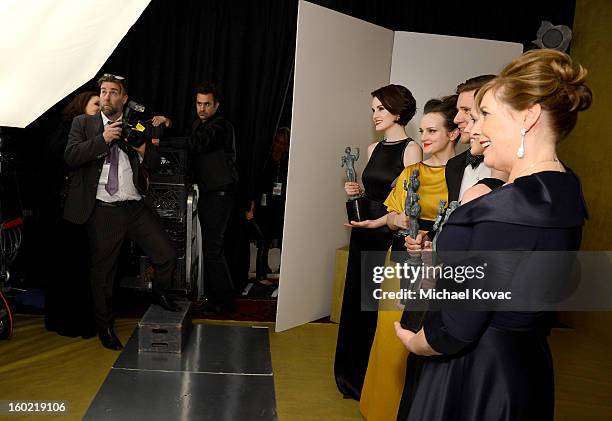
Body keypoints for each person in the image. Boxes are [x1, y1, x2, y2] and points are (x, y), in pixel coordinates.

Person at [394, 49, 592, 421]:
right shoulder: (565, 189)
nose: (476, 128)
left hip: (473, 376)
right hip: (524, 367)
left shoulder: (507, 208)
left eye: (486, 115)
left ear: (528, 117)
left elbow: (461, 323)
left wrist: (419, 343)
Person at [358, 95, 459, 421]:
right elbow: (390, 216)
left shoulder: (463, 178)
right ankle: (377, 408)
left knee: (420, 339)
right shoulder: (411, 171)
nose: (425, 137)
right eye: (423, 130)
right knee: (388, 334)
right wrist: (397, 220)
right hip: (399, 257)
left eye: (433, 131)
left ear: (453, 133)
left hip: (434, 268)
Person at [64, 74, 179, 351]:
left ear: (124, 98)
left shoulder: (136, 122)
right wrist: (102, 140)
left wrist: (140, 146)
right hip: (104, 209)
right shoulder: (84, 123)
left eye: (113, 92)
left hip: (135, 206)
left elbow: (154, 161)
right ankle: (105, 326)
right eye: (103, 91)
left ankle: (159, 291)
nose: (106, 97)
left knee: (166, 254)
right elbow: (71, 156)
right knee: (103, 274)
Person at [334, 84, 422, 400]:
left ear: (398, 111)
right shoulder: (372, 149)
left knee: (375, 306)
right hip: (363, 230)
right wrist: (356, 192)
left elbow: (407, 201)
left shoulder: (412, 149)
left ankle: (370, 380)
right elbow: (372, 191)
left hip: (387, 234)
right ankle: (349, 375)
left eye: (380, 109)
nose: (374, 116)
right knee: (356, 300)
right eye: (372, 110)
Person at [160, 81, 238, 315]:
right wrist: (168, 125)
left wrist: (160, 143)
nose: (202, 108)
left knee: (213, 251)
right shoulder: (199, 124)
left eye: (207, 104)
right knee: (211, 251)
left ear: (216, 105)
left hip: (220, 195)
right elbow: (189, 141)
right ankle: (218, 300)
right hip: (210, 194)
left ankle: (223, 304)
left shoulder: (221, 126)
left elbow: (195, 144)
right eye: (198, 103)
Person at [44, 91, 99, 339]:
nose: (101, 106)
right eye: (96, 103)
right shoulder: (68, 132)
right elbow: (67, 160)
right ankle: (66, 321)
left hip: (82, 207)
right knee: (68, 265)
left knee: (80, 265)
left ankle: (78, 320)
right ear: (82, 105)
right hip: (66, 210)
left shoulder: (94, 130)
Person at [246, 127, 290, 288]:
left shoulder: (286, 161)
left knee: (273, 237)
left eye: (283, 143)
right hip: (263, 205)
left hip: (278, 206)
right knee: (263, 239)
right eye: (278, 142)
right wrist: (251, 206)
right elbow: (256, 185)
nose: (280, 146)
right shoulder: (265, 160)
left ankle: (268, 270)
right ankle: (261, 275)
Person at [445, 75, 496, 204]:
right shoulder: (454, 166)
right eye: (458, 110)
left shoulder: (515, 167)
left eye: (467, 111)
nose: (456, 119)